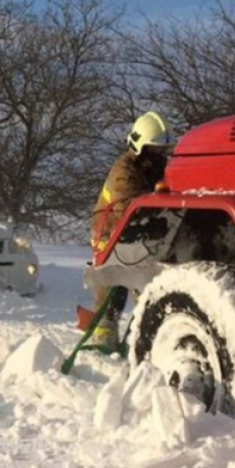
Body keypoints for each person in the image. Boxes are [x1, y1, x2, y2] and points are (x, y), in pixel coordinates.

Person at [89, 111, 174, 348]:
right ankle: (101, 343)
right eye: (154, 150)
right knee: (111, 291)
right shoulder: (124, 172)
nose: (160, 156)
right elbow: (129, 207)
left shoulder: (156, 169)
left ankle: (142, 339)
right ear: (140, 148)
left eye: (163, 150)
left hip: (137, 236)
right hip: (109, 235)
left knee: (146, 289)